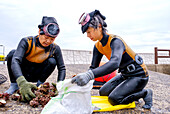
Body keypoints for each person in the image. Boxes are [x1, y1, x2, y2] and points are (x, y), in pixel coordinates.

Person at [71, 10, 153, 109]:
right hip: (125, 75)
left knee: (114, 99)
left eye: (89, 32)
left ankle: (145, 93)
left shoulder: (115, 41)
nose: (88, 36)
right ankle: (132, 92)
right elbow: (93, 67)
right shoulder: (98, 46)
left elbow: (115, 63)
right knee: (103, 92)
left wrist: (89, 75)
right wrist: (82, 77)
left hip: (139, 75)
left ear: (99, 27)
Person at [5, 16, 66, 101]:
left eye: (52, 39)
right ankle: (14, 84)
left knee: (52, 61)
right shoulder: (27, 41)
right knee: (12, 54)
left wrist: (60, 86)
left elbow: (62, 68)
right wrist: (22, 82)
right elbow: (15, 61)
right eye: (46, 37)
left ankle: (40, 84)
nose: (48, 41)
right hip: (22, 74)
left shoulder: (55, 48)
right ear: (39, 32)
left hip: (37, 75)